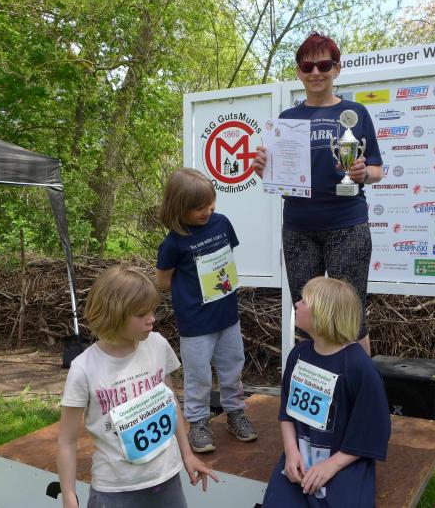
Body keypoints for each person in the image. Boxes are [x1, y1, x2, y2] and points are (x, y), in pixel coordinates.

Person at [253, 32, 383, 355]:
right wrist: (264, 169)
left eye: (324, 65)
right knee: (306, 317)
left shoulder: (356, 113)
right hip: (299, 228)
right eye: (307, 66)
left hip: (347, 225)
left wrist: (363, 173)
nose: (315, 72)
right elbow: (277, 175)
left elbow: (377, 169)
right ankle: (312, 385)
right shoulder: (287, 119)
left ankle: (357, 385)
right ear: (298, 71)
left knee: (350, 317)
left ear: (337, 69)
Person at [57, 265, 218, 508]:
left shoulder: (158, 345)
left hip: (167, 480)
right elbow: (66, 441)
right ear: (114, 314)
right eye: (142, 314)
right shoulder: (84, 369)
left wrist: (187, 454)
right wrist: (69, 495)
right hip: (115, 491)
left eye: (152, 310)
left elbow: (171, 402)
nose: (152, 318)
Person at [262, 277, 391, 508]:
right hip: (300, 458)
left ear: (323, 313)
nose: (297, 304)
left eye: (304, 301)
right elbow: (287, 413)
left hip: (344, 461)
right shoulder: (298, 354)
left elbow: (372, 431)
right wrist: (291, 453)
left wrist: (332, 465)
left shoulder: (359, 368)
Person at [155, 168, 257, 453]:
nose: (207, 212)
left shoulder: (221, 223)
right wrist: (191, 290)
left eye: (211, 204)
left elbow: (226, 258)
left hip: (227, 315)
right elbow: (163, 281)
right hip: (195, 322)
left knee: (233, 367)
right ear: (178, 208)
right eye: (199, 208)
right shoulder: (173, 243)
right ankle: (198, 422)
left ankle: (235, 412)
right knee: (198, 375)